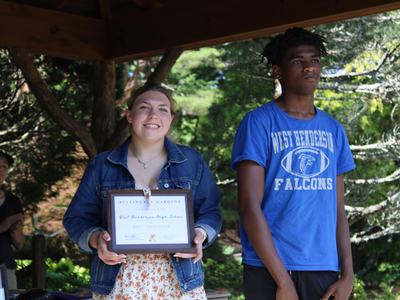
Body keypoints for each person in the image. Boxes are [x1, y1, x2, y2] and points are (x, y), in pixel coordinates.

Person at [63, 84, 222, 299]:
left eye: (162, 109)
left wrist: (200, 234)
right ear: (129, 115)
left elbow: (211, 212)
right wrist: (96, 238)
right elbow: (76, 218)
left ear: (171, 118)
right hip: (119, 283)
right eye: (144, 107)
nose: (153, 114)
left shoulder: (191, 161)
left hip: (180, 284)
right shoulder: (102, 165)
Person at [231, 28, 355, 300]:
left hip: (323, 267)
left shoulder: (333, 130)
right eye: (298, 61)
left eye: (314, 60)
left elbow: (338, 210)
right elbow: (249, 206)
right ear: (278, 71)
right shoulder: (259, 123)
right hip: (269, 269)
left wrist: (348, 275)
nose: (309, 67)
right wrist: (283, 281)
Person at [0, 151, 24, 290]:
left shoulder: (13, 201)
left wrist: (15, 229)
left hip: (6, 268)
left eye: (4, 166)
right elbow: (5, 224)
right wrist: (5, 224)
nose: (1, 170)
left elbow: (20, 244)